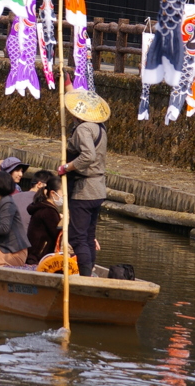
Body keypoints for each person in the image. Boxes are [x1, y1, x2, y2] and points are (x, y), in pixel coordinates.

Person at [56, 87, 110, 277]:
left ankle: (86, 275)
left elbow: (88, 155)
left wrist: (67, 167)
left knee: (78, 237)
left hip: (85, 190)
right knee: (88, 235)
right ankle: (91, 269)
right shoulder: (100, 127)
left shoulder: (83, 129)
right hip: (98, 190)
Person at [26, 176, 64, 266]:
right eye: (64, 193)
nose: (65, 196)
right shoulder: (48, 211)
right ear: (53, 193)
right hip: (38, 258)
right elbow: (58, 235)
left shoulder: (43, 207)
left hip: (33, 255)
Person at [13, 169, 54, 238]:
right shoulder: (42, 204)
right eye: (49, 188)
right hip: (27, 243)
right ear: (39, 184)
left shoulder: (14, 197)